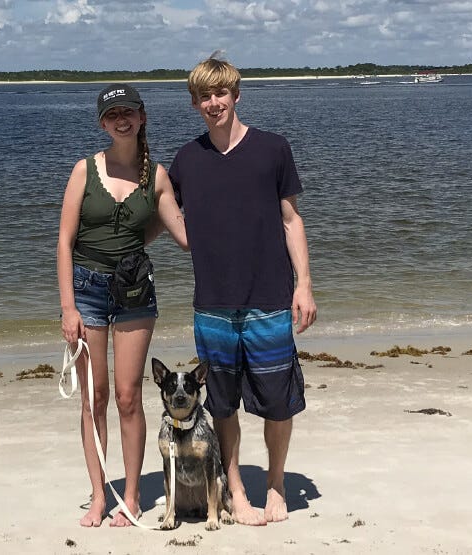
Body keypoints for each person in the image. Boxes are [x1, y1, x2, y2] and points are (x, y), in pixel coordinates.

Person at [168, 55, 317, 526]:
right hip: (213, 303)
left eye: (221, 93)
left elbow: (292, 221)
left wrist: (305, 285)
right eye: (204, 97)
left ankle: (275, 485)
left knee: (278, 400)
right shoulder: (188, 159)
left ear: (236, 94)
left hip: (270, 298)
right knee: (222, 403)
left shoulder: (273, 149)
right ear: (195, 104)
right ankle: (235, 489)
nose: (214, 103)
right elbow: (163, 209)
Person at [56, 83, 187, 527]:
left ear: (143, 116)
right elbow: (64, 242)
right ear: (102, 123)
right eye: (113, 114)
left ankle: (130, 497)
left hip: (135, 292)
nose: (122, 119)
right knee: (95, 397)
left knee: (129, 397)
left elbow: (184, 237)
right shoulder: (83, 170)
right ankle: (99, 496)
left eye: (129, 111)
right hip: (87, 288)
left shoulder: (159, 176)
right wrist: (68, 308)